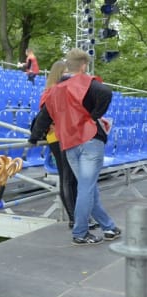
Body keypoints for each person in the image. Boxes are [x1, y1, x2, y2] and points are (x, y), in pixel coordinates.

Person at [28, 48, 121, 245]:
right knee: (87, 187)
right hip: (89, 140)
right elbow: (106, 92)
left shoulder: (55, 90)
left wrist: (34, 137)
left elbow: (43, 117)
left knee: (88, 188)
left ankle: (109, 227)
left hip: (69, 143)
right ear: (84, 65)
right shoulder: (88, 83)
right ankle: (80, 232)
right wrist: (94, 115)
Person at [30, 61, 100, 230]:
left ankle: (81, 217)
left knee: (74, 178)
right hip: (57, 137)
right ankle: (74, 219)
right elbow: (46, 116)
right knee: (67, 177)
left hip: (69, 136)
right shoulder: (51, 92)